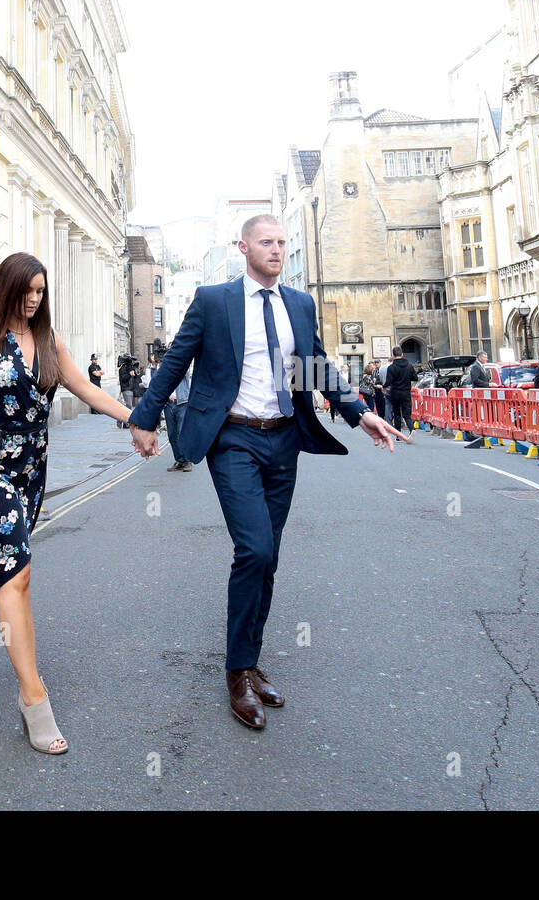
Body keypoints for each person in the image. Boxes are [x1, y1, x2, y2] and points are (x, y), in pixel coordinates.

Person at [128, 215, 405, 730]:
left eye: (282, 242)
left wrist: (360, 413)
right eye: (267, 242)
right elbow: (175, 362)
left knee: (269, 555)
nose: (277, 250)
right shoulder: (215, 300)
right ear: (244, 248)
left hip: (284, 439)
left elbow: (316, 366)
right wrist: (145, 417)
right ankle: (236, 673)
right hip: (232, 436)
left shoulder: (298, 303)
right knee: (253, 548)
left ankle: (251, 659)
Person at [0, 252, 139, 753]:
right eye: (26, 291)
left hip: (29, 469)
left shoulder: (48, 340)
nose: (33, 300)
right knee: (16, 573)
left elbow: (84, 387)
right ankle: (33, 699)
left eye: (40, 292)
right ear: (6, 289)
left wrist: (135, 418)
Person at [385, 346, 418, 442]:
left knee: (397, 414)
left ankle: (398, 434)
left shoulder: (391, 367)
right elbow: (415, 378)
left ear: (393, 355)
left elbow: (388, 381)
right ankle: (412, 429)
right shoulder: (409, 366)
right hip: (406, 392)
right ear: (402, 354)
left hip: (395, 392)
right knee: (407, 414)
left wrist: (383, 386)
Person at [164, 369, 193, 472]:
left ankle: (187, 461)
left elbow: (184, 370)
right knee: (172, 435)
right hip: (168, 404)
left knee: (182, 433)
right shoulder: (163, 368)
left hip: (182, 403)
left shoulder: (182, 365)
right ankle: (180, 460)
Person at [117, 358, 139, 428]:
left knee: (127, 406)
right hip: (126, 388)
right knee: (129, 406)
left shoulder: (130, 368)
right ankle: (126, 422)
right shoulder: (123, 368)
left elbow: (135, 378)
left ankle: (121, 419)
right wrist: (129, 374)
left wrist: (135, 373)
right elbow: (123, 379)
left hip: (131, 388)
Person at [372, 356, 388, 421]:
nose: (376, 364)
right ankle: (380, 417)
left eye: (378, 362)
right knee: (378, 405)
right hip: (376, 391)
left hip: (382, 389)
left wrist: (378, 383)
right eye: (375, 362)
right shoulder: (375, 371)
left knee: (383, 404)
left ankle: (384, 417)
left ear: (380, 363)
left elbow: (383, 380)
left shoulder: (382, 370)